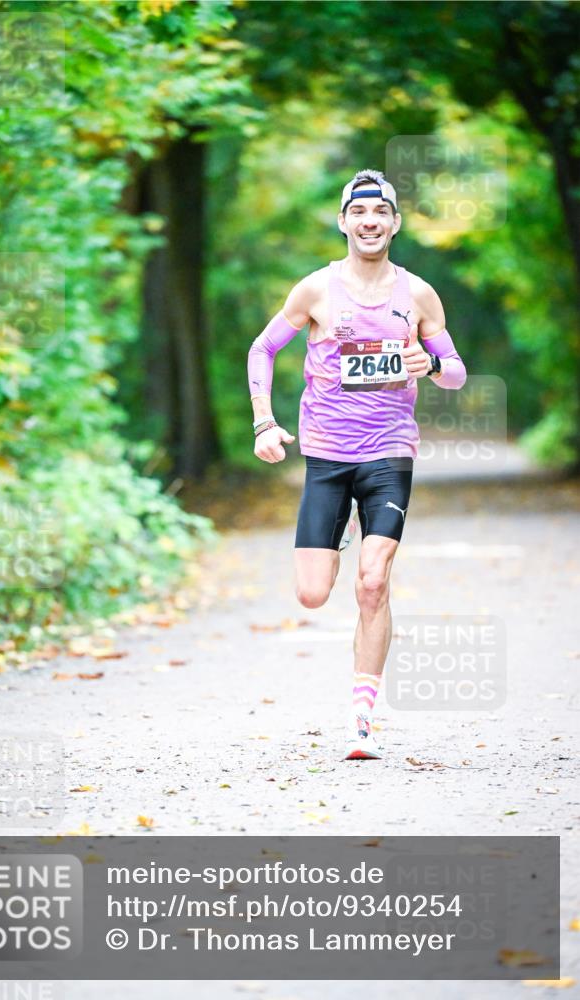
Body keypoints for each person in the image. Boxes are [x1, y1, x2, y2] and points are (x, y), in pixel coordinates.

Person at [247, 169, 466, 761]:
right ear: (343, 222)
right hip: (326, 453)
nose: (370, 222)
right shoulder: (315, 290)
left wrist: (432, 366)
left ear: (394, 223)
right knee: (313, 595)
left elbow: (456, 370)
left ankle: (361, 719)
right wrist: (264, 422)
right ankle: (340, 526)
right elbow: (263, 348)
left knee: (373, 582)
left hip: (390, 452)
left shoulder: (417, 295)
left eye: (381, 213)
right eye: (359, 212)